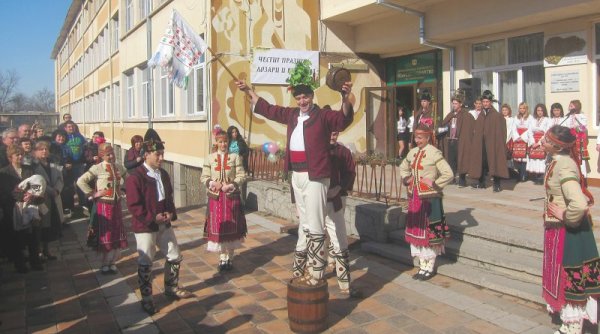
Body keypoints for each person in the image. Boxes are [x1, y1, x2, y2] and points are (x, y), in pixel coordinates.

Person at [235, 70, 354, 286]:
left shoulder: (323, 116)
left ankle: (317, 271)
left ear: (312, 96)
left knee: (317, 222)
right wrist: (248, 91)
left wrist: (344, 98)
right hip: (296, 175)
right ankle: (310, 265)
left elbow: (343, 118)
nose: (302, 101)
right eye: (298, 98)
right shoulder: (292, 115)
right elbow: (270, 110)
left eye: (305, 97)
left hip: (315, 175)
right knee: (306, 223)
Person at [125, 129, 192, 315]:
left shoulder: (163, 174)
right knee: (146, 261)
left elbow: (168, 197)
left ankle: (171, 288)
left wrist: (171, 213)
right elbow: (133, 205)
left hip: (165, 223)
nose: (161, 158)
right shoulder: (135, 177)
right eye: (158, 154)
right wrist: (151, 218)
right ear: (146, 155)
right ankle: (147, 299)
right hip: (146, 226)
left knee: (174, 255)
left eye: (162, 154)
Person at [541, 125, 599, 334]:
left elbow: (579, 203)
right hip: (560, 230)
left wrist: (566, 215)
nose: (542, 142)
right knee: (564, 275)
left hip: (569, 231)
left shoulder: (564, 166)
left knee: (570, 275)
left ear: (556, 146)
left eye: (546, 140)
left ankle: (573, 326)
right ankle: (570, 322)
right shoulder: (559, 161)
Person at [400, 122, 453, 280]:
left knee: (429, 234)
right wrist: (406, 178)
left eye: (420, 137)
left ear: (428, 137)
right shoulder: (413, 152)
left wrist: (435, 184)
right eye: (416, 137)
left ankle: (429, 267)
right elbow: (403, 167)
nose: (417, 140)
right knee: (417, 232)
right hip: (415, 198)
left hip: (430, 199)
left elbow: (448, 173)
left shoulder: (434, 152)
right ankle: (422, 266)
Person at [77, 143, 128, 274]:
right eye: (107, 154)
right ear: (101, 155)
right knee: (106, 233)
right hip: (104, 205)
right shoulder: (97, 168)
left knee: (117, 231)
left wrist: (124, 189)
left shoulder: (119, 167)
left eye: (112, 153)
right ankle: (105, 263)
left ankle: (112, 262)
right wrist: (93, 193)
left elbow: (128, 179)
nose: (111, 156)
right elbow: (80, 181)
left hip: (116, 205)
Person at [200, 130, 247, 271]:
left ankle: (230, 257)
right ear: (216, 142)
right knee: (219, 227)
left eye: (225, 141)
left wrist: (231, 185)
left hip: (231, 197)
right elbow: (204, 177)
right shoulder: (209, 158)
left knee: (232, 226)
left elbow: (242, 175)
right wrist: (213, 183)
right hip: (216, 198)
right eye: (220, 142)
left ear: (228, 142)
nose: (223, 144)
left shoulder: (235, 157)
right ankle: (222, 258)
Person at [324, 131, 358, 296]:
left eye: (335, 132)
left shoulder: (343, 152)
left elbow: (350, 172)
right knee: (317, 235)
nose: (333, 135)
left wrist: (340, 187)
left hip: (337, 198)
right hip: (317, 200)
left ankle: (344, 282)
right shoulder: (315, 149)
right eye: (329, 131)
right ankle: (319, 270)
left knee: (338, 234)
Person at [0, 144, 43, 272]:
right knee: (17, 238)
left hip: (30, 206)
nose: (20, 157)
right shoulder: (3, 173)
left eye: (21, 154)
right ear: (10, 157)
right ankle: (20, 264)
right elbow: (5, 191)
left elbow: (36, 185)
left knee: (33, 236)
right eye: (17, 155)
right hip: (13, 208)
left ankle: (35, 261)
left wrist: (32, 196)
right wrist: (21, 197)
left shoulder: (29, 170)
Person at [467, 91, 508, 192]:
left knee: (495, 161)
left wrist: (499, 143)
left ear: (491, 102)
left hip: (493, 144)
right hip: (481, 144)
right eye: (483, 101)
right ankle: (481, 182)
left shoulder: (497, 116)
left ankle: (497, 184)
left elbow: (501, 131)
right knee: (481, 162)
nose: (485, 104)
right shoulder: (481, 115)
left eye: (487, 101)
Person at [32, 140, 64, 261]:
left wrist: (57, 190)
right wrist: (50, 191)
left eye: (46, 149)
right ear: (35, 152)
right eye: (41, 149)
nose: (44, 151)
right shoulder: (33, 166)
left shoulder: (53, 164)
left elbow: (60, 178)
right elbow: (36, 182)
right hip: (42, 199)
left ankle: (47, 249)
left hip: (55, 197)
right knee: (41, 226)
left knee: (51, 224)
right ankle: (39, 251)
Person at [439, 90, 468, 185]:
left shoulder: (465, 114)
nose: (454, 105)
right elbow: (444, 124)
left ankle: (462, 179)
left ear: (461, 104)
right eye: (453, 103)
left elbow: (466, 128)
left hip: (460, 141)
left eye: (456, 103)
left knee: (461, 159)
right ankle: (452, 178)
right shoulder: (451, 114)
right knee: (451, 160)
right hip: (451, 140)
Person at [562, 99, 589, 177]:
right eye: (569, 106)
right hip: (569, 140)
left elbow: (583, 128)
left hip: (579, 140)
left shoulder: (582, 116)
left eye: (572, 106)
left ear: (577, 107)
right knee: (570, 157)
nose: (570, 108)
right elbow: (564, 127)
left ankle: (583, 176)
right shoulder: (567, 117)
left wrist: (576, 124)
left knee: (580, 158)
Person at [527, 104, 550, 184]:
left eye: (541, 110)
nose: (539, 112)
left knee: (542, 159)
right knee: (534, 158)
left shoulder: (547, 120)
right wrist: (533, 142)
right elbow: (529, 131)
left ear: (544, 111)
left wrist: (539, 143)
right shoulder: (533, 120)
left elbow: (547, 132)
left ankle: (542, 177)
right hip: (534, 140)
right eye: (538, 110)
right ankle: (536, 176)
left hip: (542, 141)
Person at [511, 102, 530, 182]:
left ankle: (524, 175)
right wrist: (517, 137)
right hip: (517, 139)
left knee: (524, 158)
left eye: (523, 108)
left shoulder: (530, 118)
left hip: (525, 139)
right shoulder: (516, 117)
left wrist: (523, 137)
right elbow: (513, 128)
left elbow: (530, 128)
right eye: (520, 108)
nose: (522, 110)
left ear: (526, 109)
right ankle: (519, 175)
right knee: (517, 158)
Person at [501, 104, 516, 177]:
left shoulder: (512, 119)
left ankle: (509, 172)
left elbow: (512, 130)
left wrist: (508, 138)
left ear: (509, 111)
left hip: (509, 139)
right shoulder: (499, 119)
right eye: (503, 110)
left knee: (508, 156)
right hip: (501, 139)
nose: (504, 111)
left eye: (506, 110)